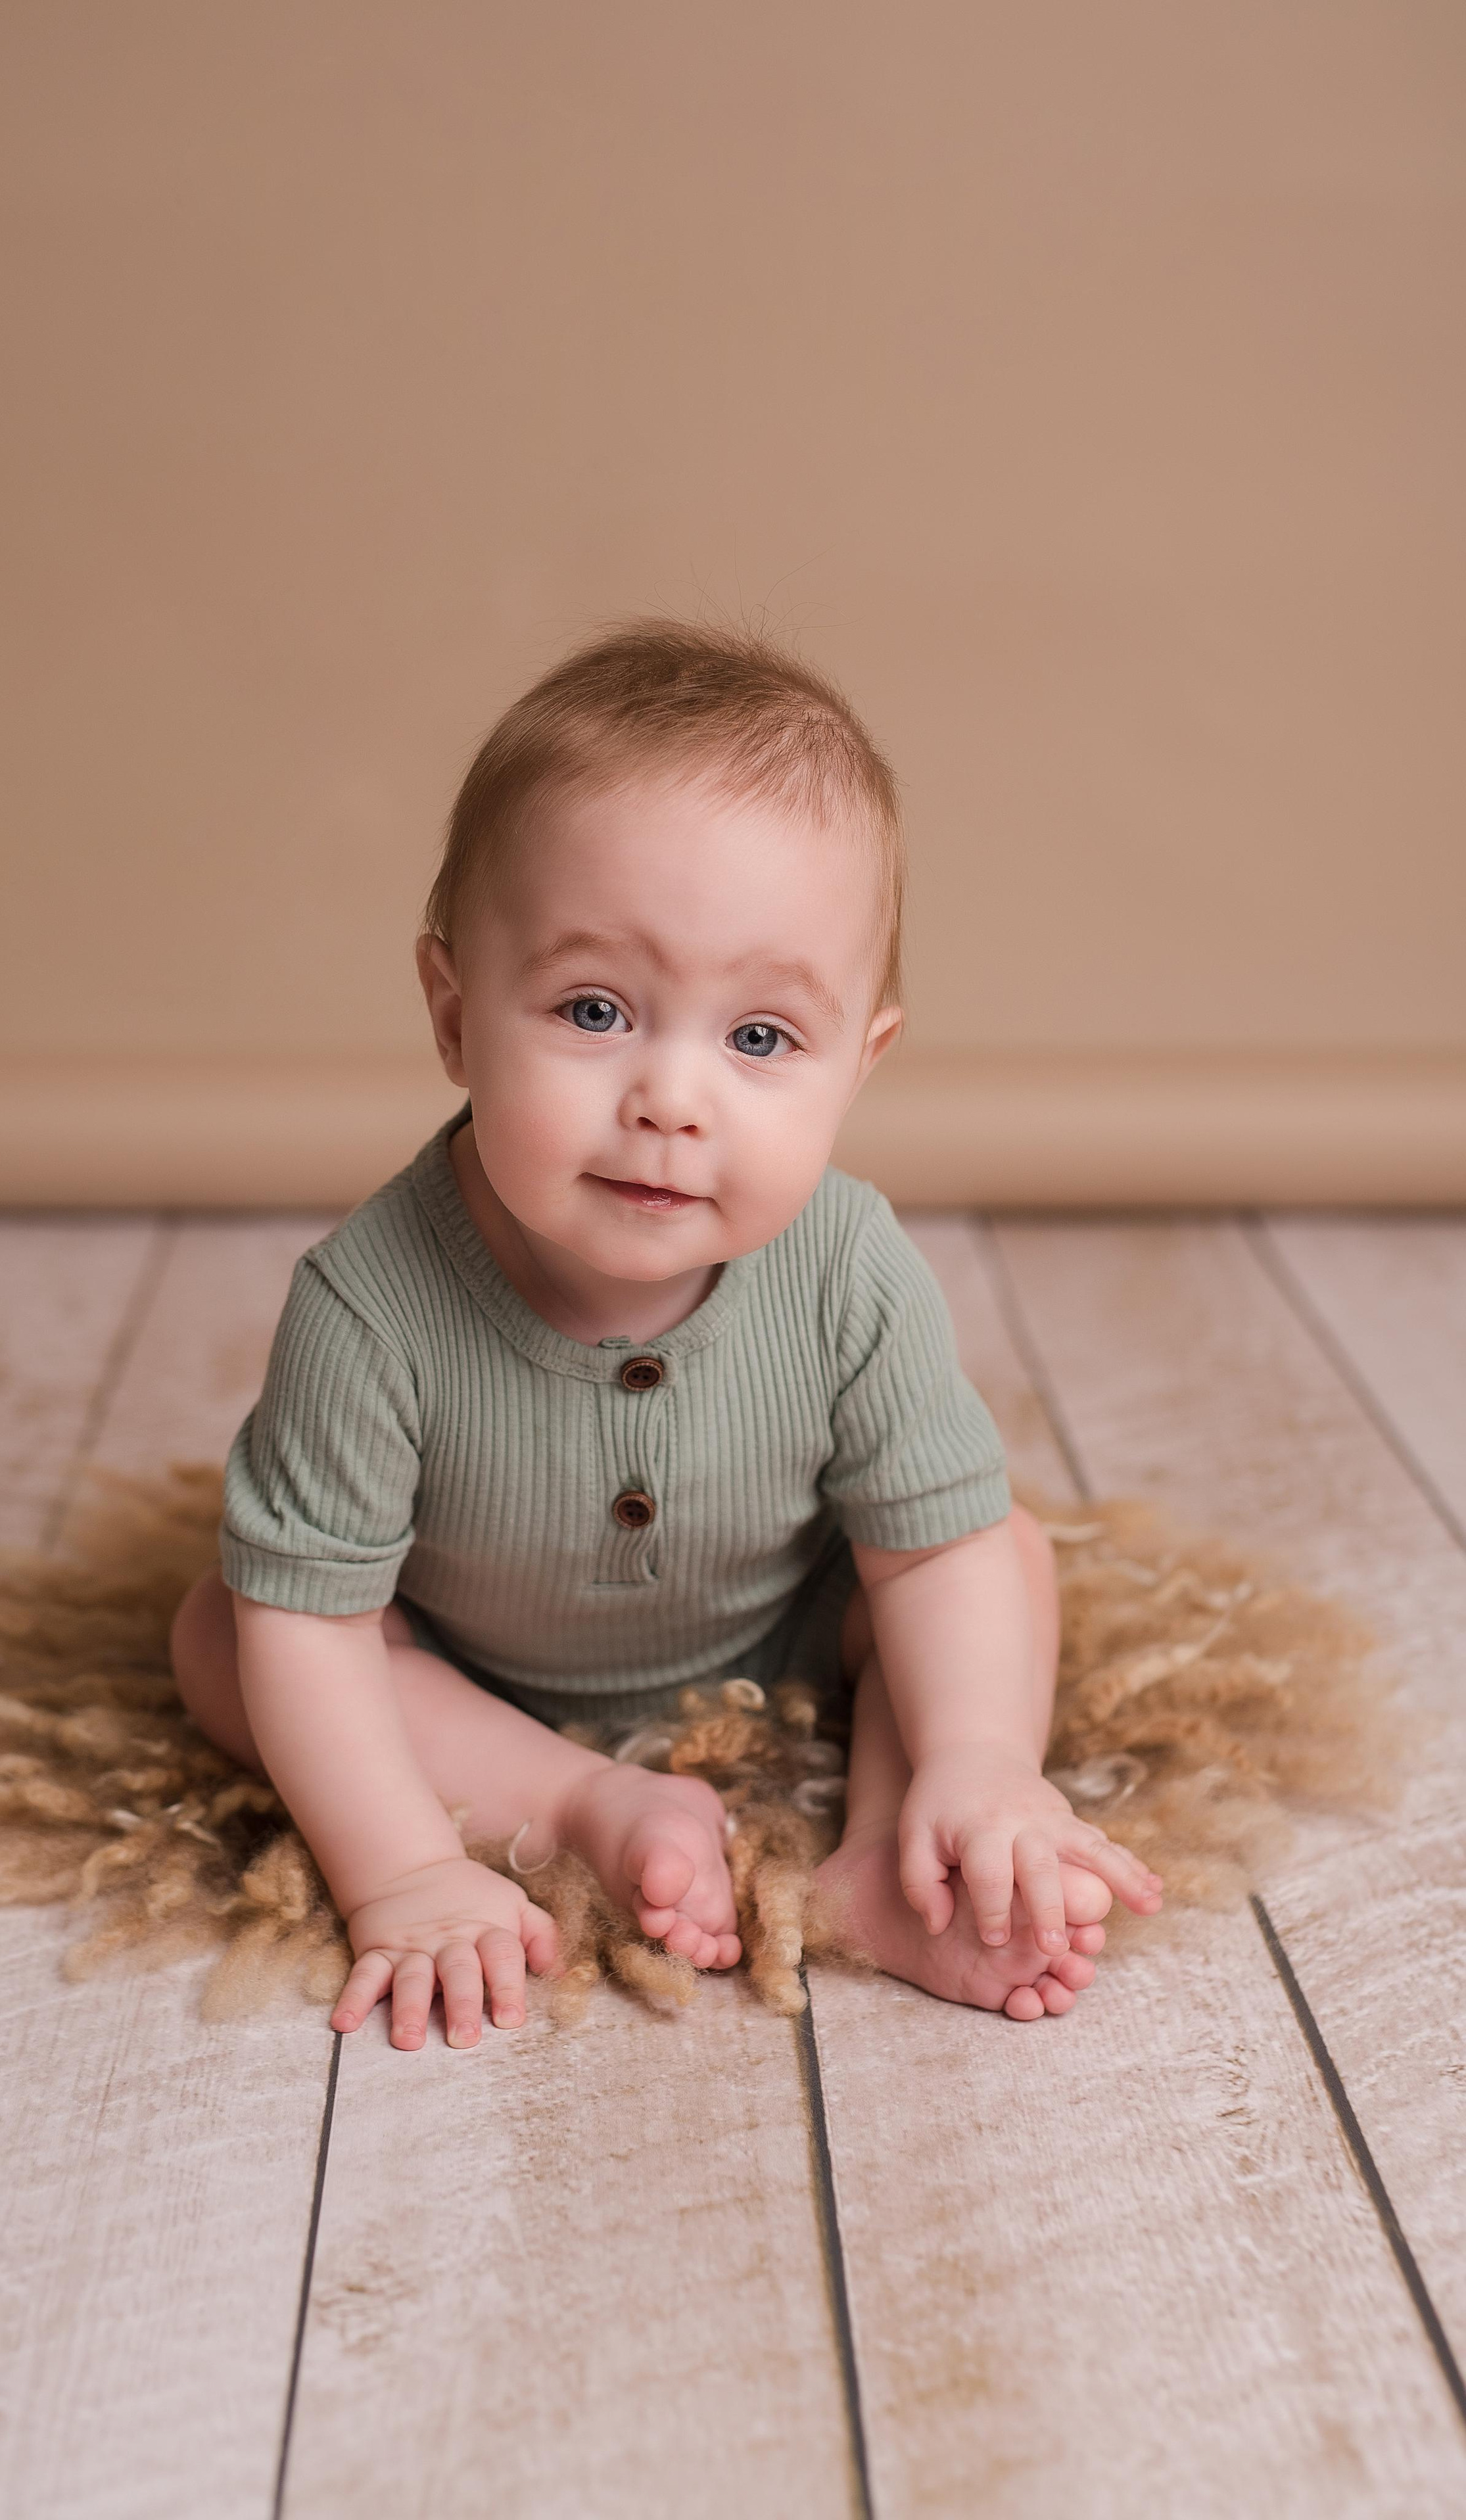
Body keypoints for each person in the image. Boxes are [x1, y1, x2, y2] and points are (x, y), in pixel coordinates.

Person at [172, 621, 1162, 2051]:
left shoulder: (846, 1262)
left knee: (983, 1554)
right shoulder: (369, 1304)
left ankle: (898, 1844)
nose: (672, 1099)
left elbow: (925, 1546)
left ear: (857, 1063)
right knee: (240, 1634)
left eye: (759, 1039)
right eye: (593, 1010)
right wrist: (399, 1874)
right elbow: (318, 1626)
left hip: (786, 1627)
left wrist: (984, 1758)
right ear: (453, 1017)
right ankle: (577, 1800)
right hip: (465, 1661)